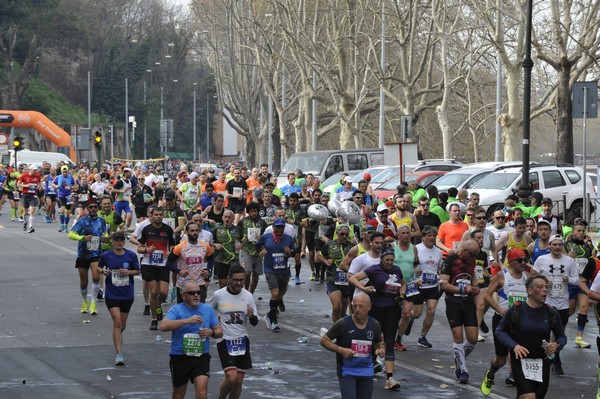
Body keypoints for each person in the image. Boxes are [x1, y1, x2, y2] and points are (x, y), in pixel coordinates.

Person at [495, 275, 566, 399]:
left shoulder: (551, 312)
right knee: (529, 397)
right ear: (530, 291)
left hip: (542, 361)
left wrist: (556, 345)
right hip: (520, 361)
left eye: (546, 287)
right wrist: (514, 346)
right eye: (540, 287)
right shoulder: (517, 309)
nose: (545, 289)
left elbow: (562, 337)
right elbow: (500, 331)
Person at [348, 248, 404, 390]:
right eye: (387, 260)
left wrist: (402, 294)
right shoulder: (373, 269)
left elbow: (403, 283)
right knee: (371, 341)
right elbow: (352, 277)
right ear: (382, 260)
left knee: (389, 342)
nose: (390, 263)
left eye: (392, 260)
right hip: (375, 310)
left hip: (392, 310)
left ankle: (390, 378)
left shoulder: (397, 270)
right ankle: (366, 367)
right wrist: (364, 289)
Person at [480, 248, 530, 396]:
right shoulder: (502, 276)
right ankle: (490, 374)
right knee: (500, 360)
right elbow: (487, 296)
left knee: (519, 354)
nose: (523, 263)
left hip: (521, 323)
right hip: (502, 322)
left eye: (524, 260)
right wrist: (499, 309)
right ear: (511, 262)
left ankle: (519, 382)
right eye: (519, 260)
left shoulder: (528, 277)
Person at [161, 281, 223, 399]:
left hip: (201, 357)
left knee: (202, 394)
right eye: (192, 293)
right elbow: (163, 326)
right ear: (183, 295)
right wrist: (187, 321)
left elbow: (219, 331)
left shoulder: (208, 309)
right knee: (178, 394)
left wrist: (212, 332)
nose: (196, 295)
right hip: (180, 357)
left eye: (198, 292)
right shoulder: (176, 309)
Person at [320, 293, 385, 399]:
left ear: (369, 307)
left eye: (361, 306)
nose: (357, 309)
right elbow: (324, 340)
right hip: (347, 371)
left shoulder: (374, 324)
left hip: (367, 371)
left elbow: (379, 342)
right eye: (354, 306)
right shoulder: (343, 323)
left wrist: (380, 349)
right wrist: (340, 349)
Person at [210, 265, 259, 399]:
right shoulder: (218, 295)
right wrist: (215, 323)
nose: (239, 283)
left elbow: (255, 322)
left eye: (241, 280)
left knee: (238, 382)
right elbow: (207, 312)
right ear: (228, 279)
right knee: (232, 378)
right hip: (225, 340)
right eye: (236, 280)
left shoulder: (248, 296)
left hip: (242, 340)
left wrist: (251, 316)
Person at [533, 234, 578, 375]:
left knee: (560, 333)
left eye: (559, 244)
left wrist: (568, 279)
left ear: (562, 246)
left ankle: (555, 357)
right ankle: (549, 359)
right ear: (549, 246)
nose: (557, 247)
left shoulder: (569, 261)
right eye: (554, 244)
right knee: (544, 331)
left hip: (563, 302)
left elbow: (577, 280)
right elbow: (533, 277)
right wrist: (544, 283)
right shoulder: (541, 260)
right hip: (546, 301)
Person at [440, 239, 481, 383]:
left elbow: (473, 276)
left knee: (473, 338)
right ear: (464, 251)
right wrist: (463, 289)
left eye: (475, 256)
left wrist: (475, 286)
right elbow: (443, 284)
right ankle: (463, 370)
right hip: (453, 303)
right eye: (472, 255)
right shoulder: (450, 260)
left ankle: (459, 357)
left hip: (468, 302)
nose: (473, 258)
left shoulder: (471, 261)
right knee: (458, 336)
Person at [98, 231, 140, 366]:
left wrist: (129, 272)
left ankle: (117, 336)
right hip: (112, 293)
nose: (119, 242)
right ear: (113, 242)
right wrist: (102, 271)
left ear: (124, 242)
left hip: (127, 294)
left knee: (122, 324)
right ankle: (119, 354)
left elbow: (138, 271)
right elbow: (99, 267)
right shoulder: (107, 255)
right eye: (117, 240)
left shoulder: (131, 255)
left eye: (121, 240)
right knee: (117, 321)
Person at [137, 207, 176, 330]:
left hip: (163, 264)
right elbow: (139, 248)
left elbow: (173, 245)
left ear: (163, 216)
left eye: (160, 214)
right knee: (153, 292)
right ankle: (154, 319)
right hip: (149, 264)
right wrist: (146, 250)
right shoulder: (146, 230)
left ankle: (158, 305)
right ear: (152, 216)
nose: (158, 216)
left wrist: (171, 252)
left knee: (163, 292)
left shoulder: (168, 229)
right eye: (156, 214)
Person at [68, 199, 108, 315]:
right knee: (83, 281)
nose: (93, 209)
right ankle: (85, 301)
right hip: (82, 254)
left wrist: (105, 237)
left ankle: (93, 303)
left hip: (95, 253)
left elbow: (104, 232)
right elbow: (71, 234)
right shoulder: (82, 221)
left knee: (96, 276)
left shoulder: (101, 221)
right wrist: (82, 238)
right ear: (87, 209)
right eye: (91, 207)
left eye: (95, 207)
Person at [256, 217, 296, 332]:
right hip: (270, 269)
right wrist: (262, 250)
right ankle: (272, 318)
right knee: (275, 292)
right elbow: (258, 245)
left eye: (282, 227)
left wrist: (290, 252)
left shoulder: (288, 238)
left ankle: (270, 313)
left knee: (280, 293)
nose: (279, 229)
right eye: (277, 227)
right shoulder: (267, 237)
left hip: (283, 270)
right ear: (273, 227)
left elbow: (293, 252)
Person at [410, 225, 443, 348]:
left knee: (431, 310)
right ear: (423, 237)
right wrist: (416, 278)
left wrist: (440, 278)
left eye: (434, 236)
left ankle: (422, 336)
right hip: (418, 284)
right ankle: (410, 320)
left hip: (432, 285)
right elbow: (412, 265)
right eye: (429, 235)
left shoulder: (438, 251)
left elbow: (439, 268)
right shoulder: (416, 249)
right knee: (416, 313)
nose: (432, 238)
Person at [565, 217, 595, 348]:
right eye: (578, 230)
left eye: (583, 231)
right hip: (570, 282)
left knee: (584, 307)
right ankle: (557, 332)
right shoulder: (566, 245)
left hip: (583, 282)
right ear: (573, 231)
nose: (581, 233)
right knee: (569, 311)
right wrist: (567, 257)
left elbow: (591, 264)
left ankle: (579, 337)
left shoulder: (588, 246)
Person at [167, 221, 212, 303]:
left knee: (200, 311)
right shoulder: (179, 247)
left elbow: (211, 258)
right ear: (186, 232)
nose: (195, 233)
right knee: (183, 312)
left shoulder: (205, 246)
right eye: (192, 231)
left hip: (199, 284)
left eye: (196, 230)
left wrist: (208, 271)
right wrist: (179, 271)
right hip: (183, 284)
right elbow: (168, 263)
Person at [318, 224, 355, 321]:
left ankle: (341, 328)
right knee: (336, 307)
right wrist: (326, 261)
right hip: (332, 279)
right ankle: (336, 330)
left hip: (347, 281)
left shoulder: (352, 247)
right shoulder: (329, 244)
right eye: (342, 234)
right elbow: (319, 256)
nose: (344, 236)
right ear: (337, 233)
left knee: (343, 310)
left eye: (346, 234)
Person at [239, 202, 267, 293]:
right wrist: (244, 239)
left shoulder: (262, 222)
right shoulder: (243, 221)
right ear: (248, 212)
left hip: (257, 252)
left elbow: (266, 236)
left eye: (255, 211)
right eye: (251, 211)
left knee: (256, 274)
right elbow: (238, 234)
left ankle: (251, 293)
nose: (254, 213)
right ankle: (246, 291)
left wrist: (261, 238)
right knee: (247, 272)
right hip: (246, 250)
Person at [213, 209, 242, 288]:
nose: (227, 219)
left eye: (229, 217)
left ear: (233, 219)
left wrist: (241, 245)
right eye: (225, 217)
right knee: (222, 283)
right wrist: (215, 245)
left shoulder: (238, 230)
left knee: (234, 283)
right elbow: (210, 243)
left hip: (234, 260)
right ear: (222, 218)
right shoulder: (216, 230)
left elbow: (244, 240)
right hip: (221, 260)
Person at [17, 164, 41, 233]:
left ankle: (30, 227)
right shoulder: (24, 175)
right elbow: (18, 184)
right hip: (25, 194)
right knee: (25, 212)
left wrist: (39, 187)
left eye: (36, 170)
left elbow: (40, 183)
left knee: (32, 211)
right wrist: (26, 185)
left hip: (33, 195)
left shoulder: (37, 176)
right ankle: (25, 222)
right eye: (34, 170)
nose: (35, 171)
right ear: (30, 170)